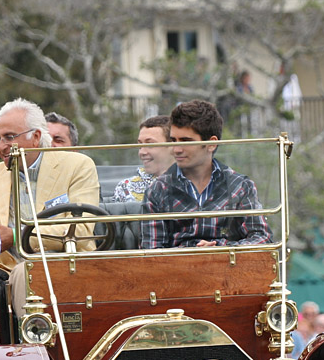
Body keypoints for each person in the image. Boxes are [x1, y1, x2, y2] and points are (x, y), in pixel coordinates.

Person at [0, 98, 100, 313]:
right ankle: (32, 341)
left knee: (26, 272)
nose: (1, 146)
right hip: (11, 273)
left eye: (9, 137)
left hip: (69, 266)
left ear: (35, 137)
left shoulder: (77, 166)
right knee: (21, 273)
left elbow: (82, 229)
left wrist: (16, 237)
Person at [141, 99, 271, 249]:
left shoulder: (240, 186)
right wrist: (192, 253)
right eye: (173, 140)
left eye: (185, 141)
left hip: (228, 268)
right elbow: (150, 253)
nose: (176, 149)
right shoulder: (157, 190)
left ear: (211, 144)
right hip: (177, 270)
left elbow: (262, 238)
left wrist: (221, 249)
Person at [107, 115, 175, 203]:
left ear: (173, 146)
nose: (142, 152)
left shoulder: (193, 183)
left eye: (150, 144)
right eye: (140, 145)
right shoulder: (126, 187)